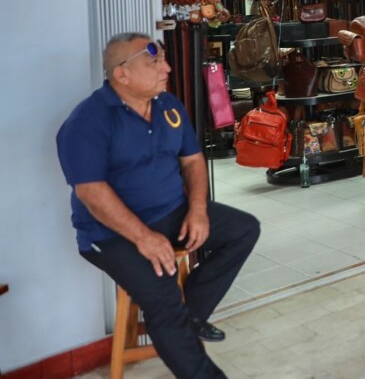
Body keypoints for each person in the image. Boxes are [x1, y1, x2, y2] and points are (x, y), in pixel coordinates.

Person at [57, 33, 260, 379]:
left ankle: (189, 315)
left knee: (243, 229)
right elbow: (91, 192)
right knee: (164, 299)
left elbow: (193, 160)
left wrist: (198, 209)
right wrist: (143, 238)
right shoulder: (87, 121)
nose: (166, 68)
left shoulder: (168, 105)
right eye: (154, 62)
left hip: (170, 212)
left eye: (164, 60)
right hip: (111, 234)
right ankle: (183, 332)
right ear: (122, 74)